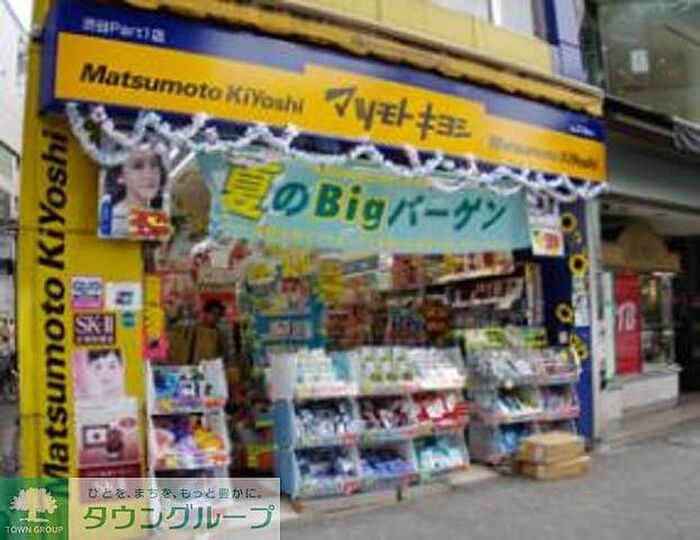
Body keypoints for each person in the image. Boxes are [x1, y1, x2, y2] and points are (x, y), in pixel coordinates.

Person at [100, 143, 169, 238]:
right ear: (120, 176)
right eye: (138, 166)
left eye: (154, 165)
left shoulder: (157, 217)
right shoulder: (112, 220)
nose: (149, 175)